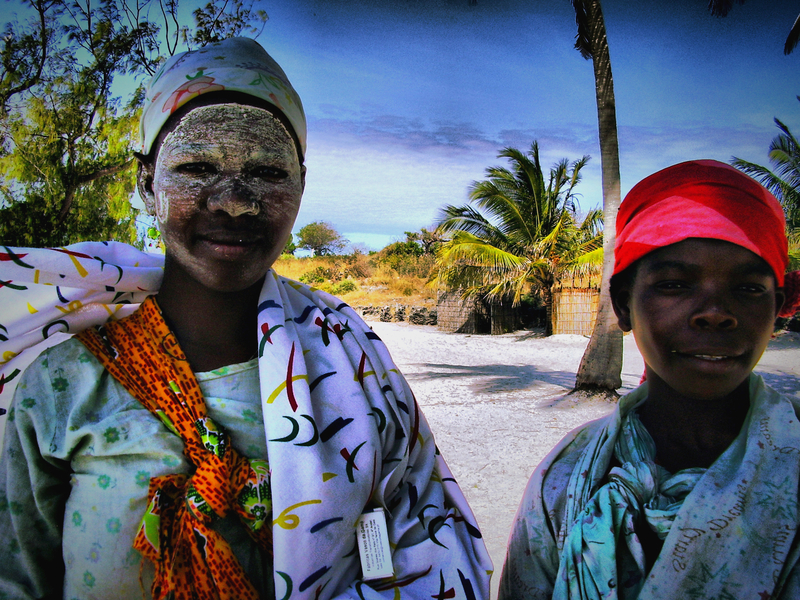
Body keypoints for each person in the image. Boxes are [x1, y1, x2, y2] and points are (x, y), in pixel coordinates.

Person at [0, 37, 492, 600]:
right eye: (196, 166)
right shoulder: (64, 385)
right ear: (146, 183)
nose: (234, 201)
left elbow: (430, 541)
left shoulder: (356, 369)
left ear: (301, 187)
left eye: (266, 172)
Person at [499, 159, 800, 600]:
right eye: (675, 285)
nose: (715, 312)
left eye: (749, 288)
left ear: (778, 308)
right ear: (623, 306)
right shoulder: (564, 477)